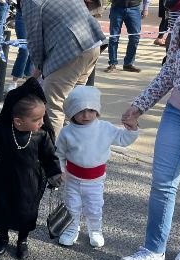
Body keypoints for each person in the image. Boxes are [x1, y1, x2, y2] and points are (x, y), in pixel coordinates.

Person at [118, 7, 180, 260]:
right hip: (178, 113)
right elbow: (169, 72)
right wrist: (139, 106)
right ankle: (153, 250)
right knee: (163, 182)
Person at [0, 77, 62, 260]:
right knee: (3, 208)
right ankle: (2, 238)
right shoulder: (4, 130)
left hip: (30, 182)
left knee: (26, 211)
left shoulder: (41, 135)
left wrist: (54, 172)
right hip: (4, 179)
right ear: (18, 121)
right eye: (36, 119)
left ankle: (22, 240)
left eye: (43, 117)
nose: (42, 122)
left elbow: (49, 156)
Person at [8, 0, 105, 136]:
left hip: (70, 52)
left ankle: (53, 156)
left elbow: (35, 40)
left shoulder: (30, 0)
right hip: (93, 44)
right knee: (76, 103)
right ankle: (78, 145)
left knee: (53, 105)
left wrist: (38, 69)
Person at [55, 85, 138, 248]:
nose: (86, 115)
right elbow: (59, 154)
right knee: (72, 206)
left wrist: (132, 129)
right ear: (72, 111)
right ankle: (72, 228)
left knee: (94, 208)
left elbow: (123, 139)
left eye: (91, 110)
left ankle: (95, 230)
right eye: (80, 111)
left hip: (95, 181)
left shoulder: (105, 128)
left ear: (97, 110)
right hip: (72, 179)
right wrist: (60, 170)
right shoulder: (67, 132)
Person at [7, 0, 40, 92]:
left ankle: (29, 79)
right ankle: (15, 80)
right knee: (24, 48)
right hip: (21, 16)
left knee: (32, 49)